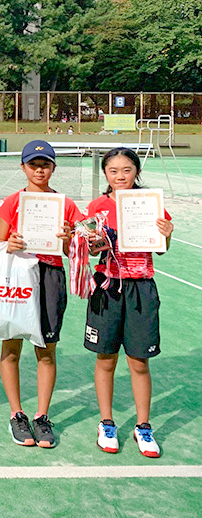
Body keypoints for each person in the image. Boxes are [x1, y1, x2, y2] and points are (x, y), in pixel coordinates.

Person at [0, 140, 83, 448]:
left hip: (51, 278)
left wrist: (69, 239)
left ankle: (42, 416)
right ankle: (16, 414)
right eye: (33, 164)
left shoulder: (65, 205)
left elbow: (76, 251)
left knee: (46, 350)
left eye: (45, 164)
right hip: (19, 275)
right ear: (23, 168)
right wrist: (11, 245)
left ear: (53, 168)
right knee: (12, 347)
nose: (39, 170)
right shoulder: (12, 202)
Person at [83, 147, 172, 458]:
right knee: (106, 359)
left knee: (139, 362)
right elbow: (91, 251)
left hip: (141, 290)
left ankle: (142, 426)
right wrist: (92, 244)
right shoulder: (97, 206)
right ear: (105, 173)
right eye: (113, 171)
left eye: (127, 170)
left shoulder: (150, 204)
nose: (120, 176)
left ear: (136, 172)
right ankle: (106, 422)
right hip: (107, 288)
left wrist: (167, 233)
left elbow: (161, 250)